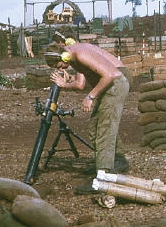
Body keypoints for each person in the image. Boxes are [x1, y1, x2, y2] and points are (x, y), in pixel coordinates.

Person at [45, 40, 130, 193]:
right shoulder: (73, 56)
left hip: (115, 85)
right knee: (95, 128)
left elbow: (109, 75)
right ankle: (117, 161)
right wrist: (69, 80)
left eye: (59, 66)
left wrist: (90, 97)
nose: (62, 68)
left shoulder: (80, 54)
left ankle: (104, 177)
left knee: (104, 129)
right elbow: (82, 81)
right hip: (110, 86)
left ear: (63, 57)